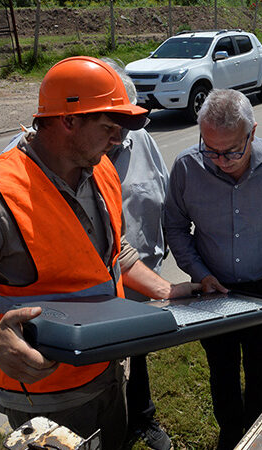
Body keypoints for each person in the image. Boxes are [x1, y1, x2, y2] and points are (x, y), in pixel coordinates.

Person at [0, 56, 198, 450]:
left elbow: (109, 253)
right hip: (44, 396)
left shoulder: (100, 169)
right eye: (108, 127)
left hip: (107, 371)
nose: (119, 140)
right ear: (67, 121)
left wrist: (164, 290)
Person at [164, 89, 262, 449]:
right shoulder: (187, 167)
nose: (220, 160)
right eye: (210, 149)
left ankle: (257, 435)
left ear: (252, 132)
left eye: (232, 151)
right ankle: (231, 434)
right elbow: (174, 226)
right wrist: (199, 272)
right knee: (221, 370)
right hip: (210, 290)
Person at [102, 59, 172, 450]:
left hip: (140, 275)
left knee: (137, 351)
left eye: (128, 124)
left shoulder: (141, 138)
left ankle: (141, 417)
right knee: (99, 366)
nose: (120, 136)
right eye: (112, 126)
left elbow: (161, 196)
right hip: (89, 292)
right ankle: (112, 429)